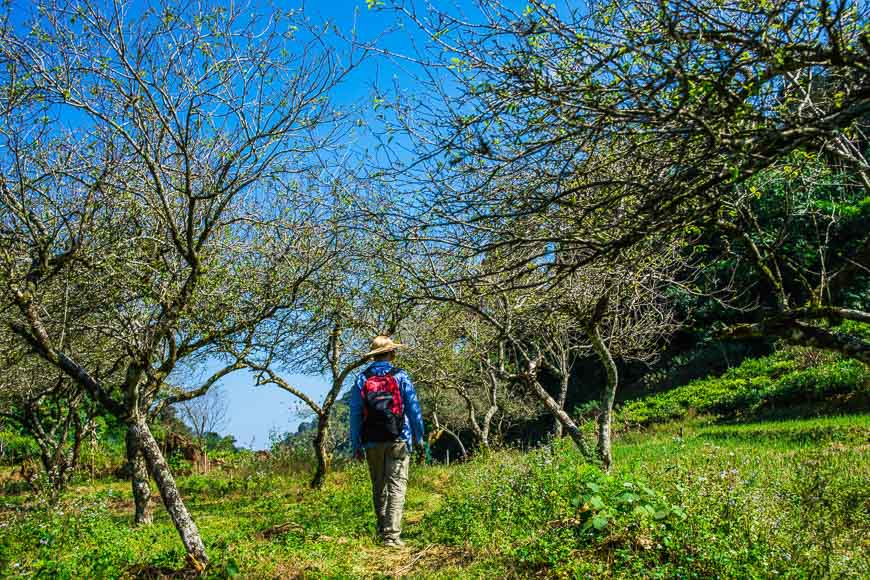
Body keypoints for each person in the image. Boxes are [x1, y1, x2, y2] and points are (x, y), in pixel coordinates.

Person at [349, 335, 425, 548]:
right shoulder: (401, 376)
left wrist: (355, 444)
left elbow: (355, 414)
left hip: (371, 440)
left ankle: (382, 529)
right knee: (397, 485)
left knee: (378, 486)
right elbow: (413, 409)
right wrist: (419, 438)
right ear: (391, 353)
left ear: (373, 356)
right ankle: (391, 536)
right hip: (399, 438)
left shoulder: (361, 379)